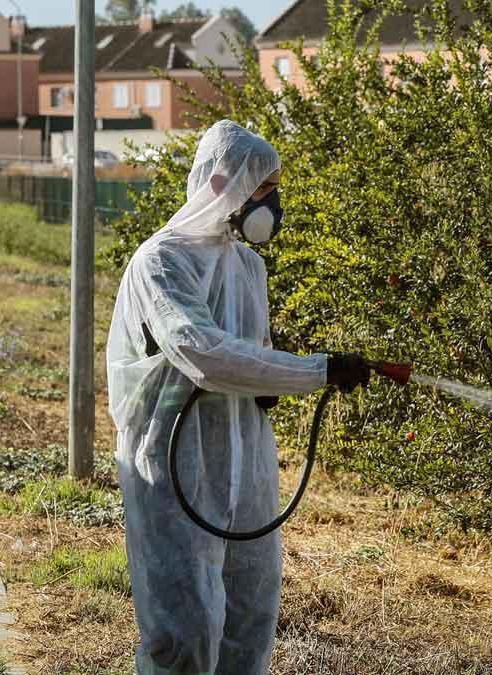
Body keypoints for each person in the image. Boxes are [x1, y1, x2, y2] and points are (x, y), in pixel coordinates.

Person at [106, 120, 369, 674]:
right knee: (186, 628)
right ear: (223, 182)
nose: (272, 202)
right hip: (174, 461)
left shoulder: (249, 266)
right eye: (263, 187)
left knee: (250, 616)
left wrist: (273, 381)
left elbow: (250, 352)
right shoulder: (162, 260)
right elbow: (202, 352)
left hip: (245, 461)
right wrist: (314, 371)